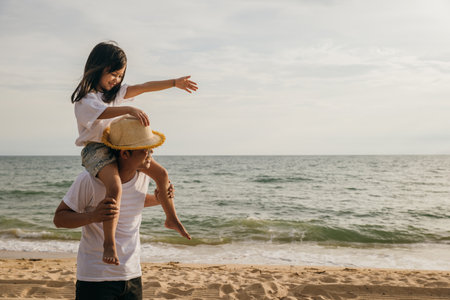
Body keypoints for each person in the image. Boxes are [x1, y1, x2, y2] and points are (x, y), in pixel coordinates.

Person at [71, 41, 197, 265]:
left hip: (121, 145)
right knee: (115, 186)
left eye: (120, 76)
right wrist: (130, 108)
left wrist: (174, 83)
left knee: (161, 174)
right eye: (113, 74)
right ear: (97, 67)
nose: (116, 80)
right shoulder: (86, 99)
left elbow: (145, 86)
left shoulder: (116, 93)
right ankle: (108, 242)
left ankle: (171, 218)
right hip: (96, 149)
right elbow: (103, 113)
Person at [54, 116, 180, 300]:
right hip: (95, 277)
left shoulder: (143, 178)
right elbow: (59, 219)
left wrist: (158, 199)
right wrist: (92, 216)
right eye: (145, 148)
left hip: (132, 274)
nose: (151, 152)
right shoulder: (89, 180)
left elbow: (132, 201)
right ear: (125, 154)